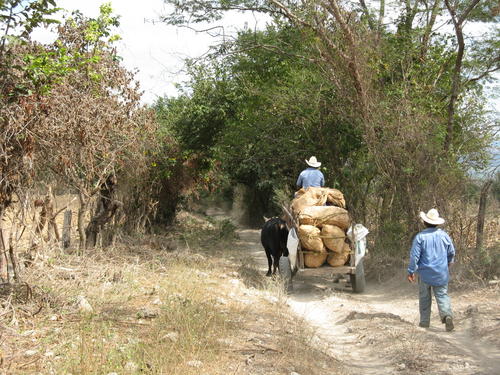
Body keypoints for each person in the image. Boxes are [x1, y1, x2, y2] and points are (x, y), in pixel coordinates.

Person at [407, 208, 456, 331]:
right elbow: (451, 252)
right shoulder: (444, 236)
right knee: (442, 295)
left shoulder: (420, 237)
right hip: (441, 273)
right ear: (437, 223)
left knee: (424, 297)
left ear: (425, 222)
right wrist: (449, 263)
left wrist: (411, 271)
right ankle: (447, 316)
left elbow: (414, 256)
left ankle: (424, 322)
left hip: (425, 274)